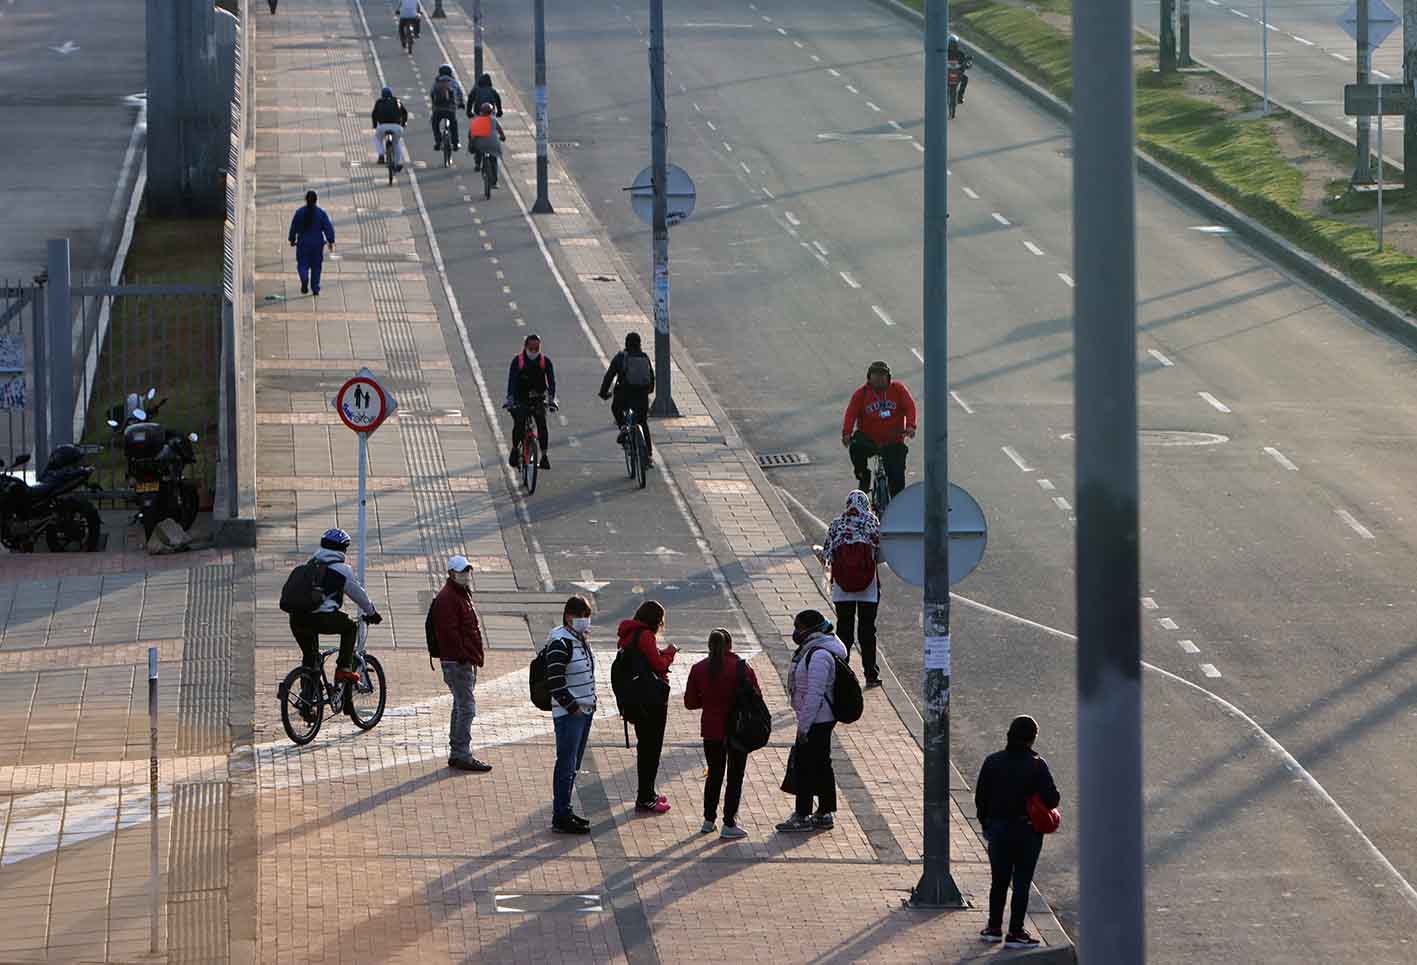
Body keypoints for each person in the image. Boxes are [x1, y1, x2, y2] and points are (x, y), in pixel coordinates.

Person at [975, 715, 1061, 949]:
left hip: (998, 829)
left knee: (999, 881)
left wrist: (987, 824)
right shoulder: (1036, 765)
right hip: (1027, 831)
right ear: (1032, 739)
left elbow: (980, 798)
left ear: (1009, 735)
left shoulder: (992, 762)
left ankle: (993, 928)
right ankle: (1015, 932)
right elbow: (1053, 798)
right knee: (1022, 882)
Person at [684, 628, 759, 839]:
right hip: (738, 730)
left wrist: (707, 703)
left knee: (714, 775)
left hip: (711, 729)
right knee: (735, 777)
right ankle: (729, 822)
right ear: (730, 645)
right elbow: (756, 696)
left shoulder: (698, 669)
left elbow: (690, 702)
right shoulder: (741, 668)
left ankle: (708, 820)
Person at [776, 609, 847, 832]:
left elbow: (815, 694)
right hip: (819, 718)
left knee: (806, 767)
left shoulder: (819, 655)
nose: (796, 632)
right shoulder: (816, 649)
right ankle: (824, 812)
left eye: (798, 627)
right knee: (822, 764)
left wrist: (803, 727)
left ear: (810, 630)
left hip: (817, 719)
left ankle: (803, 815)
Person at [288, 528, 382, 687]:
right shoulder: (342, 570)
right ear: (343, 549)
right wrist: (372, 613)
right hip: (321, 618)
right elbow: (359, 596)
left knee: (310, 657)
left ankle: (307, 698)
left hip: (296, 618)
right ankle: (343, 668)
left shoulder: (309, 565)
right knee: (351, 627)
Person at [432, 555, 492, 773]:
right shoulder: (448, 598)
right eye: (461, 571)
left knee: (460, 705)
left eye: (467, 571)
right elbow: (450, 634)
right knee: (467, 708)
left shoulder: (460, 594)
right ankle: (461, 753)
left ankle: (457, 751)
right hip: (458, 663)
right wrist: (465, 656)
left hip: (463, 661)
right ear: (450, 574)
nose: (466, 575)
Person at [617, 601, 677, 813]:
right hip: (651, 701)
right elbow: (658, 665)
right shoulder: (645, 636)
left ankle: (648, 792)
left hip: (637, 699)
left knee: (646, 746)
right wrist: (670, 653)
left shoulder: (628, 634)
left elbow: (643, 659)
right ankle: (645, 797)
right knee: (652, 748)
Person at [544, 595, 597, 834]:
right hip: (570, 714)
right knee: (566, 764)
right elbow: (554, 680)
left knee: (572, 764)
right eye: (580, 617)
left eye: (587, 617)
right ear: (568, 617)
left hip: (583, 711)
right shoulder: (560, 642)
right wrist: (573, 707)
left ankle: (565, 809)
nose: (585, 621)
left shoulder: (579, 638)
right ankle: (560, 814)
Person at [822, 490, 882, 688]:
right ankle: (870, 673)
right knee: (867, 630)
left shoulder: (836, 523)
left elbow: (827, 553)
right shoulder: (871, 520)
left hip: (843, 586)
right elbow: (880, 547)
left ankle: (842, 672)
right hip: (868, 586)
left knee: (844, 630)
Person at [842, 360, 916, 498]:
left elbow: (909, 407)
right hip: (869, 439)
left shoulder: (898, 390)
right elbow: (851, 414)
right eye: (875, 376)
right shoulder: (861, 394)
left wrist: (911, 426)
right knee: (856, 448)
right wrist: (847, 433)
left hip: (893, 440)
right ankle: (864, 476)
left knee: (897, 478)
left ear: (888, 377)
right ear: (869, 377)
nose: (879, 379)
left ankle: (895, 505)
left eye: (882, 375)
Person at [597, 332, 656, 467]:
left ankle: (623, 427)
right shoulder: (644, 357)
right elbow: (651, 378)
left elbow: (609, 376)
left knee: (616, 408)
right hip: (641, 396)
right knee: (643, 422)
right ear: (640, 344)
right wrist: (649, 390)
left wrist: (603, 393)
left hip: (625, 395)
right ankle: (648, 455)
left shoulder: (621, 357)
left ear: (626, 343)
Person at [504, 333, 557, 470]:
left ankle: (544, 456)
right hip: (520, 398)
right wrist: (510, 399)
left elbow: (551, 382)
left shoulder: (545, 362)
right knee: (519, 423)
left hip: (538, 398)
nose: (533, 351)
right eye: (531, 348)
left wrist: (551, 399)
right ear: (525, 347)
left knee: (542, 425)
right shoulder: (518, 361)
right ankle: (515, 449)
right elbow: (512, 381)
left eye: (536, 348)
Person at [287, 191, 334, 297]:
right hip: (317, 244)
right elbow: (328, 227)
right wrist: (330, 241)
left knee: (302, 265)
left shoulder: (299, 213)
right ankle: (315, 288)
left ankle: (304, 279)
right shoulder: (321, 213)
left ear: (306, 200)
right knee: (316, 267)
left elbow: (293, 227)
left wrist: (292, 239)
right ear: (316, 200)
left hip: (303, 244)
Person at [371, 86, 410, 169]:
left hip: (382, 126)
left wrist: (375, 126)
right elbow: (404, 113)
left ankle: (381, 155)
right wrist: (403, 124)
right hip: (396, 127)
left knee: (377, 139)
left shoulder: (379, 102)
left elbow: (374, 114)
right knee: (396, 143)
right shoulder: (397, 101)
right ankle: (398, 163)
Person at [468, 101, 506, 185]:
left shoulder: (477, 120)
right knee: (494, 160)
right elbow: (500, 130)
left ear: (481, 111)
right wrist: (503, 137)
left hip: (481, 145)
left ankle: (478, 164)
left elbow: (472, 135)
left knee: (478, 149)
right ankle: (495, 182)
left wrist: (471, 145)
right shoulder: (493, 119)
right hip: (493, 144)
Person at [429, 64, 465, 153]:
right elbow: (459, 94)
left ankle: (438, 142)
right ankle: (455, 143)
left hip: (438, 109)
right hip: (450, 109)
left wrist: (434, 105)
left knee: (435, 123)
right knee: (453, 124)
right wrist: (461, 104)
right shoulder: (453, 82)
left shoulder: (436, 82)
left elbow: (432, 94)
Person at [947, 33, 973, 104]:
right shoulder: (944, 52)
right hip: (945, 73)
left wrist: (968, 64)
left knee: (965, 79)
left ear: (957, 44)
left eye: (954, 43)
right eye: (951, 43)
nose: (952, 45)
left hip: (957, 73)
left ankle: (960, 96)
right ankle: (937, 95)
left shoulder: (960, 53)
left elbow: (966, 62)